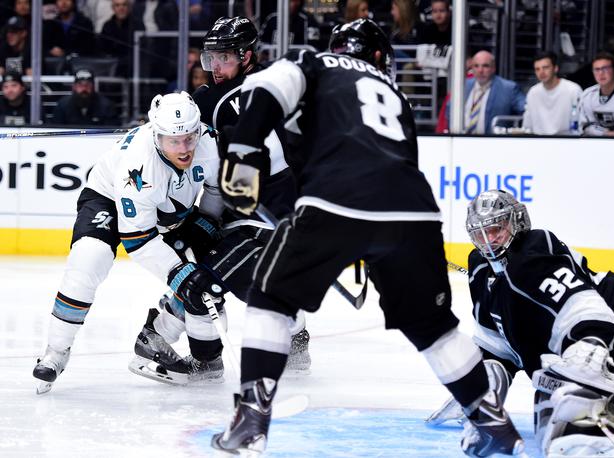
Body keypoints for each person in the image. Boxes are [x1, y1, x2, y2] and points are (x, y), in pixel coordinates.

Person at [211, 18, 524, 457]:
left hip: (336, 199)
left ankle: (250, 423)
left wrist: (244, 156)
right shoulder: (396, 96)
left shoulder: (312, 61)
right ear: (379, 57)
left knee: (270, 298)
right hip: (415, 213)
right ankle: (497, 428)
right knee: (434, 328)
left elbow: (262, 91)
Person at [127, 16, 310, 386]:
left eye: (223, 58)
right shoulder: (209, 97)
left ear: (246, 56)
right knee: (211, 272)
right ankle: (292, 339)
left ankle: (185, 347)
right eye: (210, 59)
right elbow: (184, 136)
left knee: (217, 274)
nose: (216, 68)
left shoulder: (272, 86)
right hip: (238, 208)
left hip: (271, 207)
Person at [428, 190, 614, 457]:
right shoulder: (482, 270)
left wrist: (587, 369)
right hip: (598, 342)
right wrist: (479, 397)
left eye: (495, 229)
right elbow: (497, 348)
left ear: (516, 222)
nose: (489, 240)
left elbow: (588, 313)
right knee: (551, 404)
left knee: (571, 411)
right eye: (479, 234)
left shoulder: (533, 253)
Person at [32, 92, 228, 394]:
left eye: (189, 138)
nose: (185, 148)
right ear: (156, 135)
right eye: (174, 141)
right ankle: (56, 352)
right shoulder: (138, 165)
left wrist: (206, 223)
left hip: (170, 209)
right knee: (90, 258)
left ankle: (158, 336)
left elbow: (215, 189)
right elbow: (138, 240)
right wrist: (179, 274)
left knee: (205, 275)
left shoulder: (208, 142)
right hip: (108, 197)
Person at [464, 50, 526, 134]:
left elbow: (526, 111)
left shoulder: (509, 89)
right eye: (476, 66)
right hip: (462, 141)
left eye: (485, 66)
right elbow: (449, 112)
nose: (480, 70)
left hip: (494, 143)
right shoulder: (463, 86)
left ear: (493, 68)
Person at [522, 51, 582, 135]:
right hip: (538, 142)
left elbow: (579, 124)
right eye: (537, 69)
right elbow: (527, 126)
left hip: (566, 142)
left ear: (555, 68)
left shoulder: (573, 90)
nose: (541, 72)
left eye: (545, 67)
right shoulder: (533, 93)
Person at [579, 51, 614, 136]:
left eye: (605, 68)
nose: (601, 73)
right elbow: (585, 126)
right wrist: (607, 133)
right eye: (597, 69)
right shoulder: (587, 95)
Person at [51, 68, 119, 125]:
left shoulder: (106, 106)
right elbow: (56, 131)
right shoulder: (62, 105)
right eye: (80, 85)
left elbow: (111, 133)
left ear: (93, 87)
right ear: (74, 87)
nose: (84, 89)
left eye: (87, 85)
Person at [99, 0, 135, 77]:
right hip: (110, 68)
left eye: (124, 5)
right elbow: (102, 50)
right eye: (117, 5)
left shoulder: (137, 25)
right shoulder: (107, 26)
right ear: (113, 8)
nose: (121, 8)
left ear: (129, 7)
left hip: (132, 69)